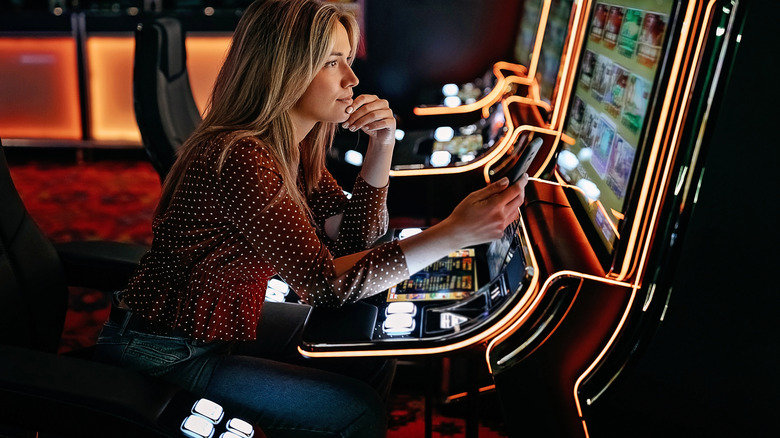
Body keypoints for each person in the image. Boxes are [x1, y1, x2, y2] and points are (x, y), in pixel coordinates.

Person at [93, 0, 529, 437]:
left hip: (220, 326)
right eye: (332, 62)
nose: (352, 79)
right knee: (355, 412)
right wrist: (454, 233)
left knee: (370, 348)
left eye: (348, 59)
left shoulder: (292, 147)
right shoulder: (242, 157)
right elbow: (325, 285)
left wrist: (382, 147)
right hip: (164, 351)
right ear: (285, 71)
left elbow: (355, 240)